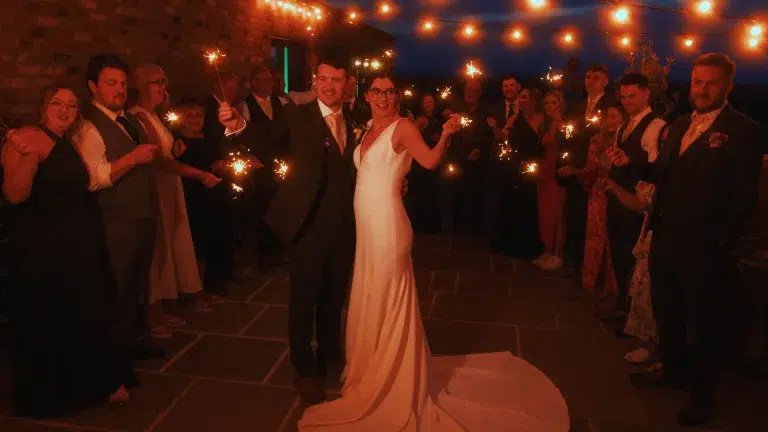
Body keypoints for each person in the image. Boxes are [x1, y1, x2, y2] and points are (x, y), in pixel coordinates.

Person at [296, 73, 569, 431]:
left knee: (389, 296)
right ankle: (371, 362)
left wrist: (445, 136)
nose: (382, 97)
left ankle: (392, 373)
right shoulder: (367, 127)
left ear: (396, 96)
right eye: (376, 91)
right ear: (368, 95)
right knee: (371, 292)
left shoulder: (404, 126)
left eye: (389, 91)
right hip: (366, 227)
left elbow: (427, 161)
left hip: (388, 226)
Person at [632, 53, 764, 427]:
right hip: (666, 236)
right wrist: (628, 166)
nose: (702, 90)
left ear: (728, 86)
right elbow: (664, 172)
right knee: (668, 311)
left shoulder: (743, 130)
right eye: (697, 82)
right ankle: (673, 371)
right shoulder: (679, 124)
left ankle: (701, 396)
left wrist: (722, 243)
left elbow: (744, 196)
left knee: (703, 323)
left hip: (705, 246)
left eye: (710, 83)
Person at [219, 55, 359, 404]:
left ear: (347, 83)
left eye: (336, 79)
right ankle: (304, 367)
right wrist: (238, 124)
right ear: (315, 81)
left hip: (346, 225)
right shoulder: (297, 115)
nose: (329, 86)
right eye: (323, 79)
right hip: (307, 223)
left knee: (334, 295)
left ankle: (329, 354)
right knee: (304, 298)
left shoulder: (355, 120)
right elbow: (267, 139)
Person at [2, 86, 130, 417]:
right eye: (56, 103)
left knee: (80, 312)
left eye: (71, 105)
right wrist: (28, 156)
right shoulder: (27, 137)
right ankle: (56, 391)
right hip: (45, 246)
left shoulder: (67, 141)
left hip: (74, 242)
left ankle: (89, 381)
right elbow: (15, 195)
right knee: (54, 313)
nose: (64, 109)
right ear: (43, 106)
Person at [77, 54, 165, 366]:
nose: (119, 90)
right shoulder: (89, 126)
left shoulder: (128, 119)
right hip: (116, 219)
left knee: (136, 284)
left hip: (142, 213)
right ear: (93, 87)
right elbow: (94, 178)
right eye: (111, 84)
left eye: (123, 84)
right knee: (117, 286)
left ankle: (129, 343)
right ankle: (112, 361)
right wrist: (133, 159)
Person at [129, 64, 221, 338]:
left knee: (166, 245)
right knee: (157, 249)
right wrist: (200, 174)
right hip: (157, 186)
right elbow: (159, 162)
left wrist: (176, 149)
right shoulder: (138, 116)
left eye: (164, 81)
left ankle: (160, 308)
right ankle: (150, 313)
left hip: (169, 186)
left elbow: (166, 153)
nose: (163, 87)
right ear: (142, 85)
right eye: (157, 82)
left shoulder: (154, 115)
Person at [175, 97, 236, 300]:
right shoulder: (179, 142)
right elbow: (183, 168)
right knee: (197, 243)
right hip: (193, 196)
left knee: (211, 239)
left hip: (211, 195)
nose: (195, 120)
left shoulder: (207, 137)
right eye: (190, 115)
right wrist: (210, 167)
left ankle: (210, 282)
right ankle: (194, 292)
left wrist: (223, 165)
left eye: (199, 115)